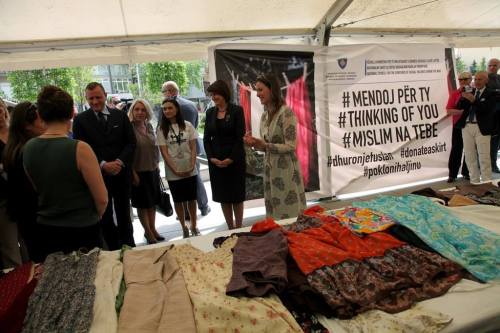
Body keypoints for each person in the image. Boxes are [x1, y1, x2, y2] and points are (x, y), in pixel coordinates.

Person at [23, 85, 108, 260]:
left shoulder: (29, 148)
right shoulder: (80, 148)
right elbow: (102, 199)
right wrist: (94, 216)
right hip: (83, 229)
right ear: (71, 113)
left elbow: (37, 187)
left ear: (40, 114)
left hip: (48, 229)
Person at [73, 82, 136, 250]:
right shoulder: (80, 120)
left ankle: (130, 247)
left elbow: (131, 143)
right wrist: (102, 164)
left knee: (124, 215)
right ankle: (113, 250)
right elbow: (81, 147)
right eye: (91, 98)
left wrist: (119, 162)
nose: (94, 102)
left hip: (122, 174)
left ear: (105, 95)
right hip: (98, 177)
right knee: (105, 217)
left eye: (98, 97)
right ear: (86, 98)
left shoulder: (120, 116)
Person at [244, 73, 306, 219]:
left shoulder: (286, 113)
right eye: (256, 90)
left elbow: (291, 146)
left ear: (272, 89)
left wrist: (265, 145)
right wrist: (254, 143)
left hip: (286, 173)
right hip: (270, 171)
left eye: (260, 90)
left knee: (289, 215)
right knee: (274, 216)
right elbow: (265, 146)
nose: (257, 94)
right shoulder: (265, 116)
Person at [3, 102, 46, 263]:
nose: (45, 124)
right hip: (35, 217)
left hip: (25, 217)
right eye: (41, 120)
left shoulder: (14, 148)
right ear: (27, 126)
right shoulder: (28, 150)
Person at [161, 81, 210, 217]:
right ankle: (204, 206)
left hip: (176, 150)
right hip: (193, 146)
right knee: (195, 177)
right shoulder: (191, 105)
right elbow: (194, 126)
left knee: (181, 181)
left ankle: (186, 212)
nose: (164, 95)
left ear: (170, 91)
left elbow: (164, 128)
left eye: (164, 92)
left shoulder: (166, 107)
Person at [204, 80, 246, 229]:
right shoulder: (209, 112)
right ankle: (230, 228)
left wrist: (230, 159)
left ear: (224, 93)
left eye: (216, 94)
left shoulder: (237, 110)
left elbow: (239, 138)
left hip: (235, 161)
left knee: (236, 197)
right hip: (216, 162)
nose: (214, 97)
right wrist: (211, 158)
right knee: (224, 197)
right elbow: (206, 139)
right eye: (212, 94)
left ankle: (239, 227)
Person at [157, 98, 199, 238]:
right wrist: (175, 169)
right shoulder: (162, 129)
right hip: (173, 171)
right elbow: (164, 152)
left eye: (170, 108)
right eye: (165, 109)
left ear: (177, 109)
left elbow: (193, 147)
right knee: (178, 201)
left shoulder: (187, 125)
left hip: (189, 168)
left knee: (192, 199)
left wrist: (192, 164)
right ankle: (184, 228)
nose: (167, 111)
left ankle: (194, 225)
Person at [127, 99, 163, 244]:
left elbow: (154, 148)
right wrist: (132, 173)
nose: (140, 112)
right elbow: (127, 153)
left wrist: (157, 166)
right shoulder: (128, 128)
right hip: (138, 172)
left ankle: (153, 229)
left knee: (152, 203)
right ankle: (148, 232)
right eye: (137, 109)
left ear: (147, 112)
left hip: (152, 170)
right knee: (143, 204)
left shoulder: (149, 126)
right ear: (132, 111)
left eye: (143, 110)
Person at [456, 71, 497, 184]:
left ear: (486, 81)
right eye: (476, 79)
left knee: (484, 157)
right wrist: (463, 98)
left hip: (481, 128)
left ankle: (487, 183)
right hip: (467, 126)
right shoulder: (471, 91)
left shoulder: (492, 94)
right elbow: (460, 107)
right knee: (469, 157)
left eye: (480, 79)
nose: (477, 82)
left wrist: (474, 100)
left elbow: (486, 109)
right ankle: (474, 182)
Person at [0, 98, 21, 268]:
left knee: (29, 243)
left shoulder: (16, 133)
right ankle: (16, 289)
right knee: (10, 249)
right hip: (3, 200)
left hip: (24, 195)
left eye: (0, 109)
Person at [445, 72, 471, 182]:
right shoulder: (455, 94)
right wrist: (461, 112)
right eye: (460, 79)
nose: (463, 81)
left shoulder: (475, 92)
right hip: (458, 125)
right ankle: (452, 174)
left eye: (465, 79)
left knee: (470, 150)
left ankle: (467, 172)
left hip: (471, 125)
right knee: (456, 149)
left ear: (470, 80)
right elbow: (449, 110)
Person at [486, 58, 500, 173]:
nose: (492, 67)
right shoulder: (484, 79)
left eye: (495, 65)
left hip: (498, 116)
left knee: (496, 142)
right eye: (490, 65)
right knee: (488, 142)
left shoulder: (499, 78)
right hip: (488, 117)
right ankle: (488, 164)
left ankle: (493, 163)